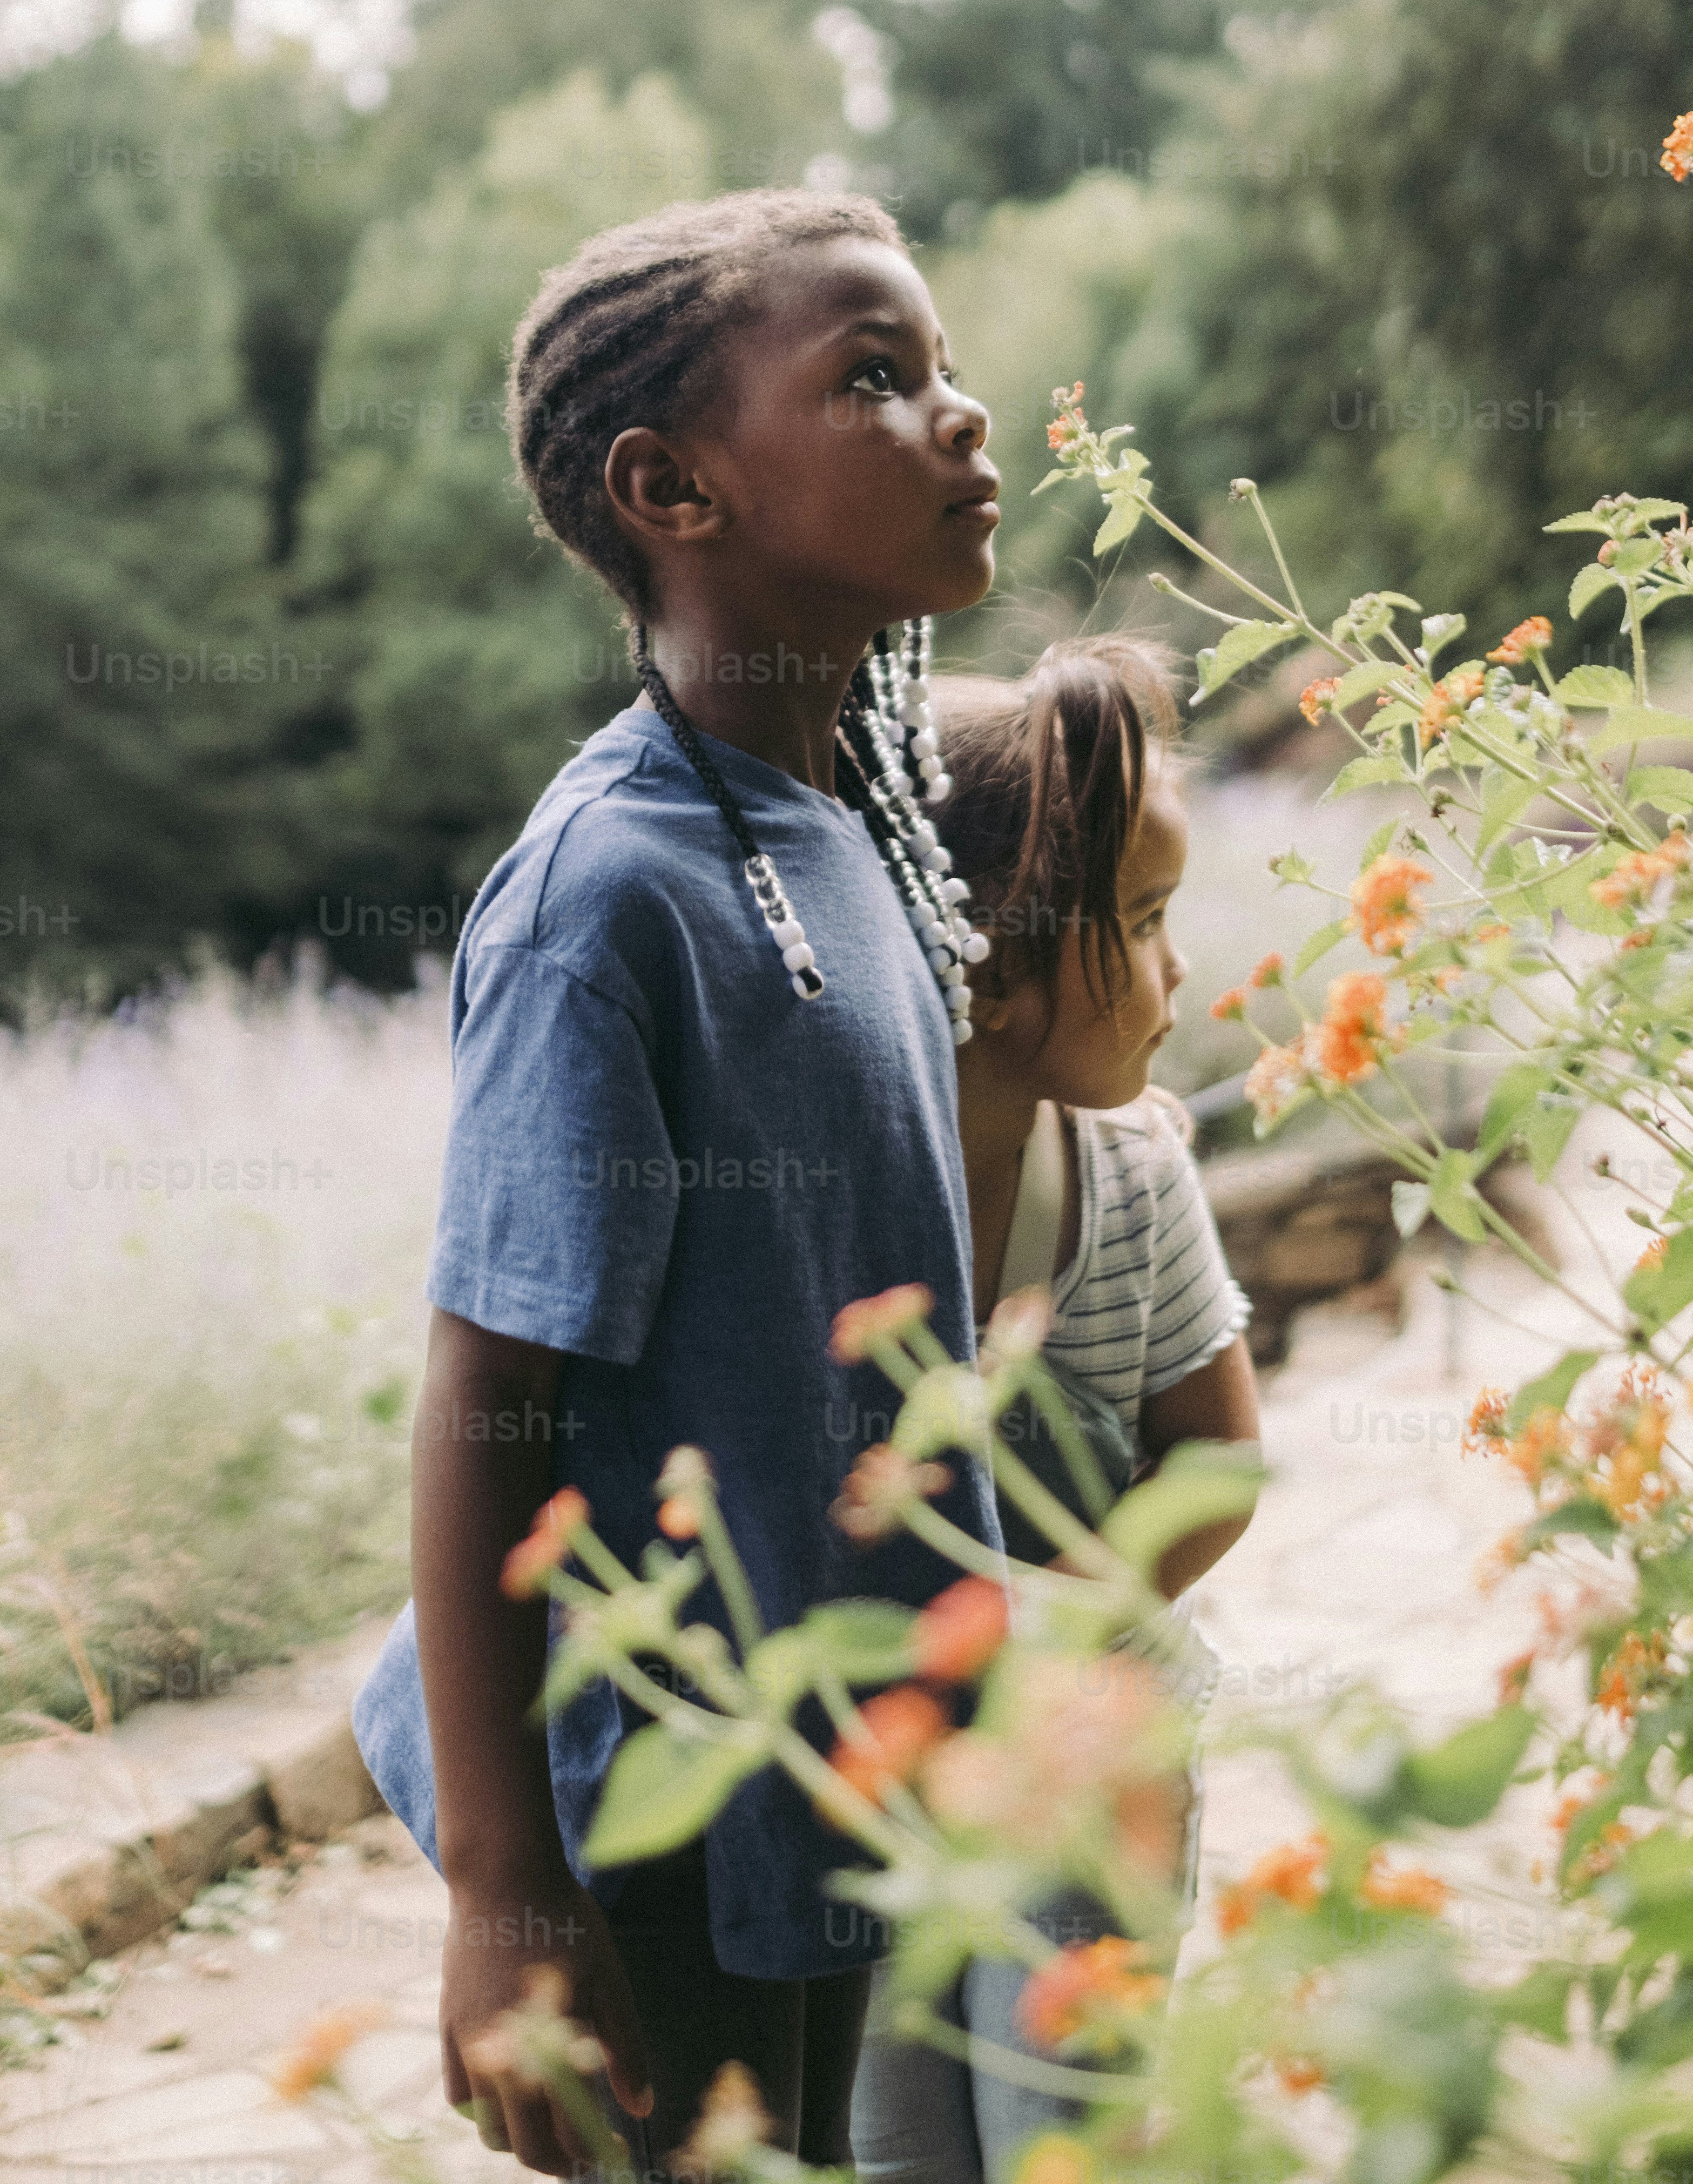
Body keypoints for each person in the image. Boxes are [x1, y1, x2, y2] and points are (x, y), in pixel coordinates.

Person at [351, 187, 1007, 2178]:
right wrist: (505, 1896)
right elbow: (487, 1387)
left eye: (940, 364)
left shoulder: (842, 825)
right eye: (874, 378)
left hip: (835, 1763)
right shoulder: (602, 900)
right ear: (671, 488)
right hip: (658, 1809)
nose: (961, 413)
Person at [850, 635, 1263, 2184]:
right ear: (992, 973)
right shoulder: (822, 1195)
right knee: (888, 2141)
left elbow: (1218, 1462)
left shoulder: (1131, 1172)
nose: (1176, 975)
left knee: (1066, 2141)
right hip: (875, 1787)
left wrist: (1044, 1638)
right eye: (1142, 924)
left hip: (1093, 1766)